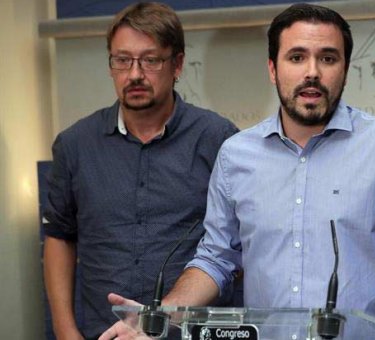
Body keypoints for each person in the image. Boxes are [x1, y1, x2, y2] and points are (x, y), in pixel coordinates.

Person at [100, 3, 375, 340]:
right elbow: (216, 258)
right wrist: (160, 317)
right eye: (296, 57)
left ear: (345, 68)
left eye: (327, 58)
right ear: (273, 69)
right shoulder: (237, 155)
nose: (312, 72)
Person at [42, 2, 239, 339]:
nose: (134, 74)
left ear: (177, 64)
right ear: (110, 65)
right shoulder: (75, 145)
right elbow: (60, 236)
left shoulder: (218, 140)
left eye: (150, 60)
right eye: (122, 60)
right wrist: (65, 330)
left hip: (190, 332)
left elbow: (236, 247)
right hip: (103, 332)